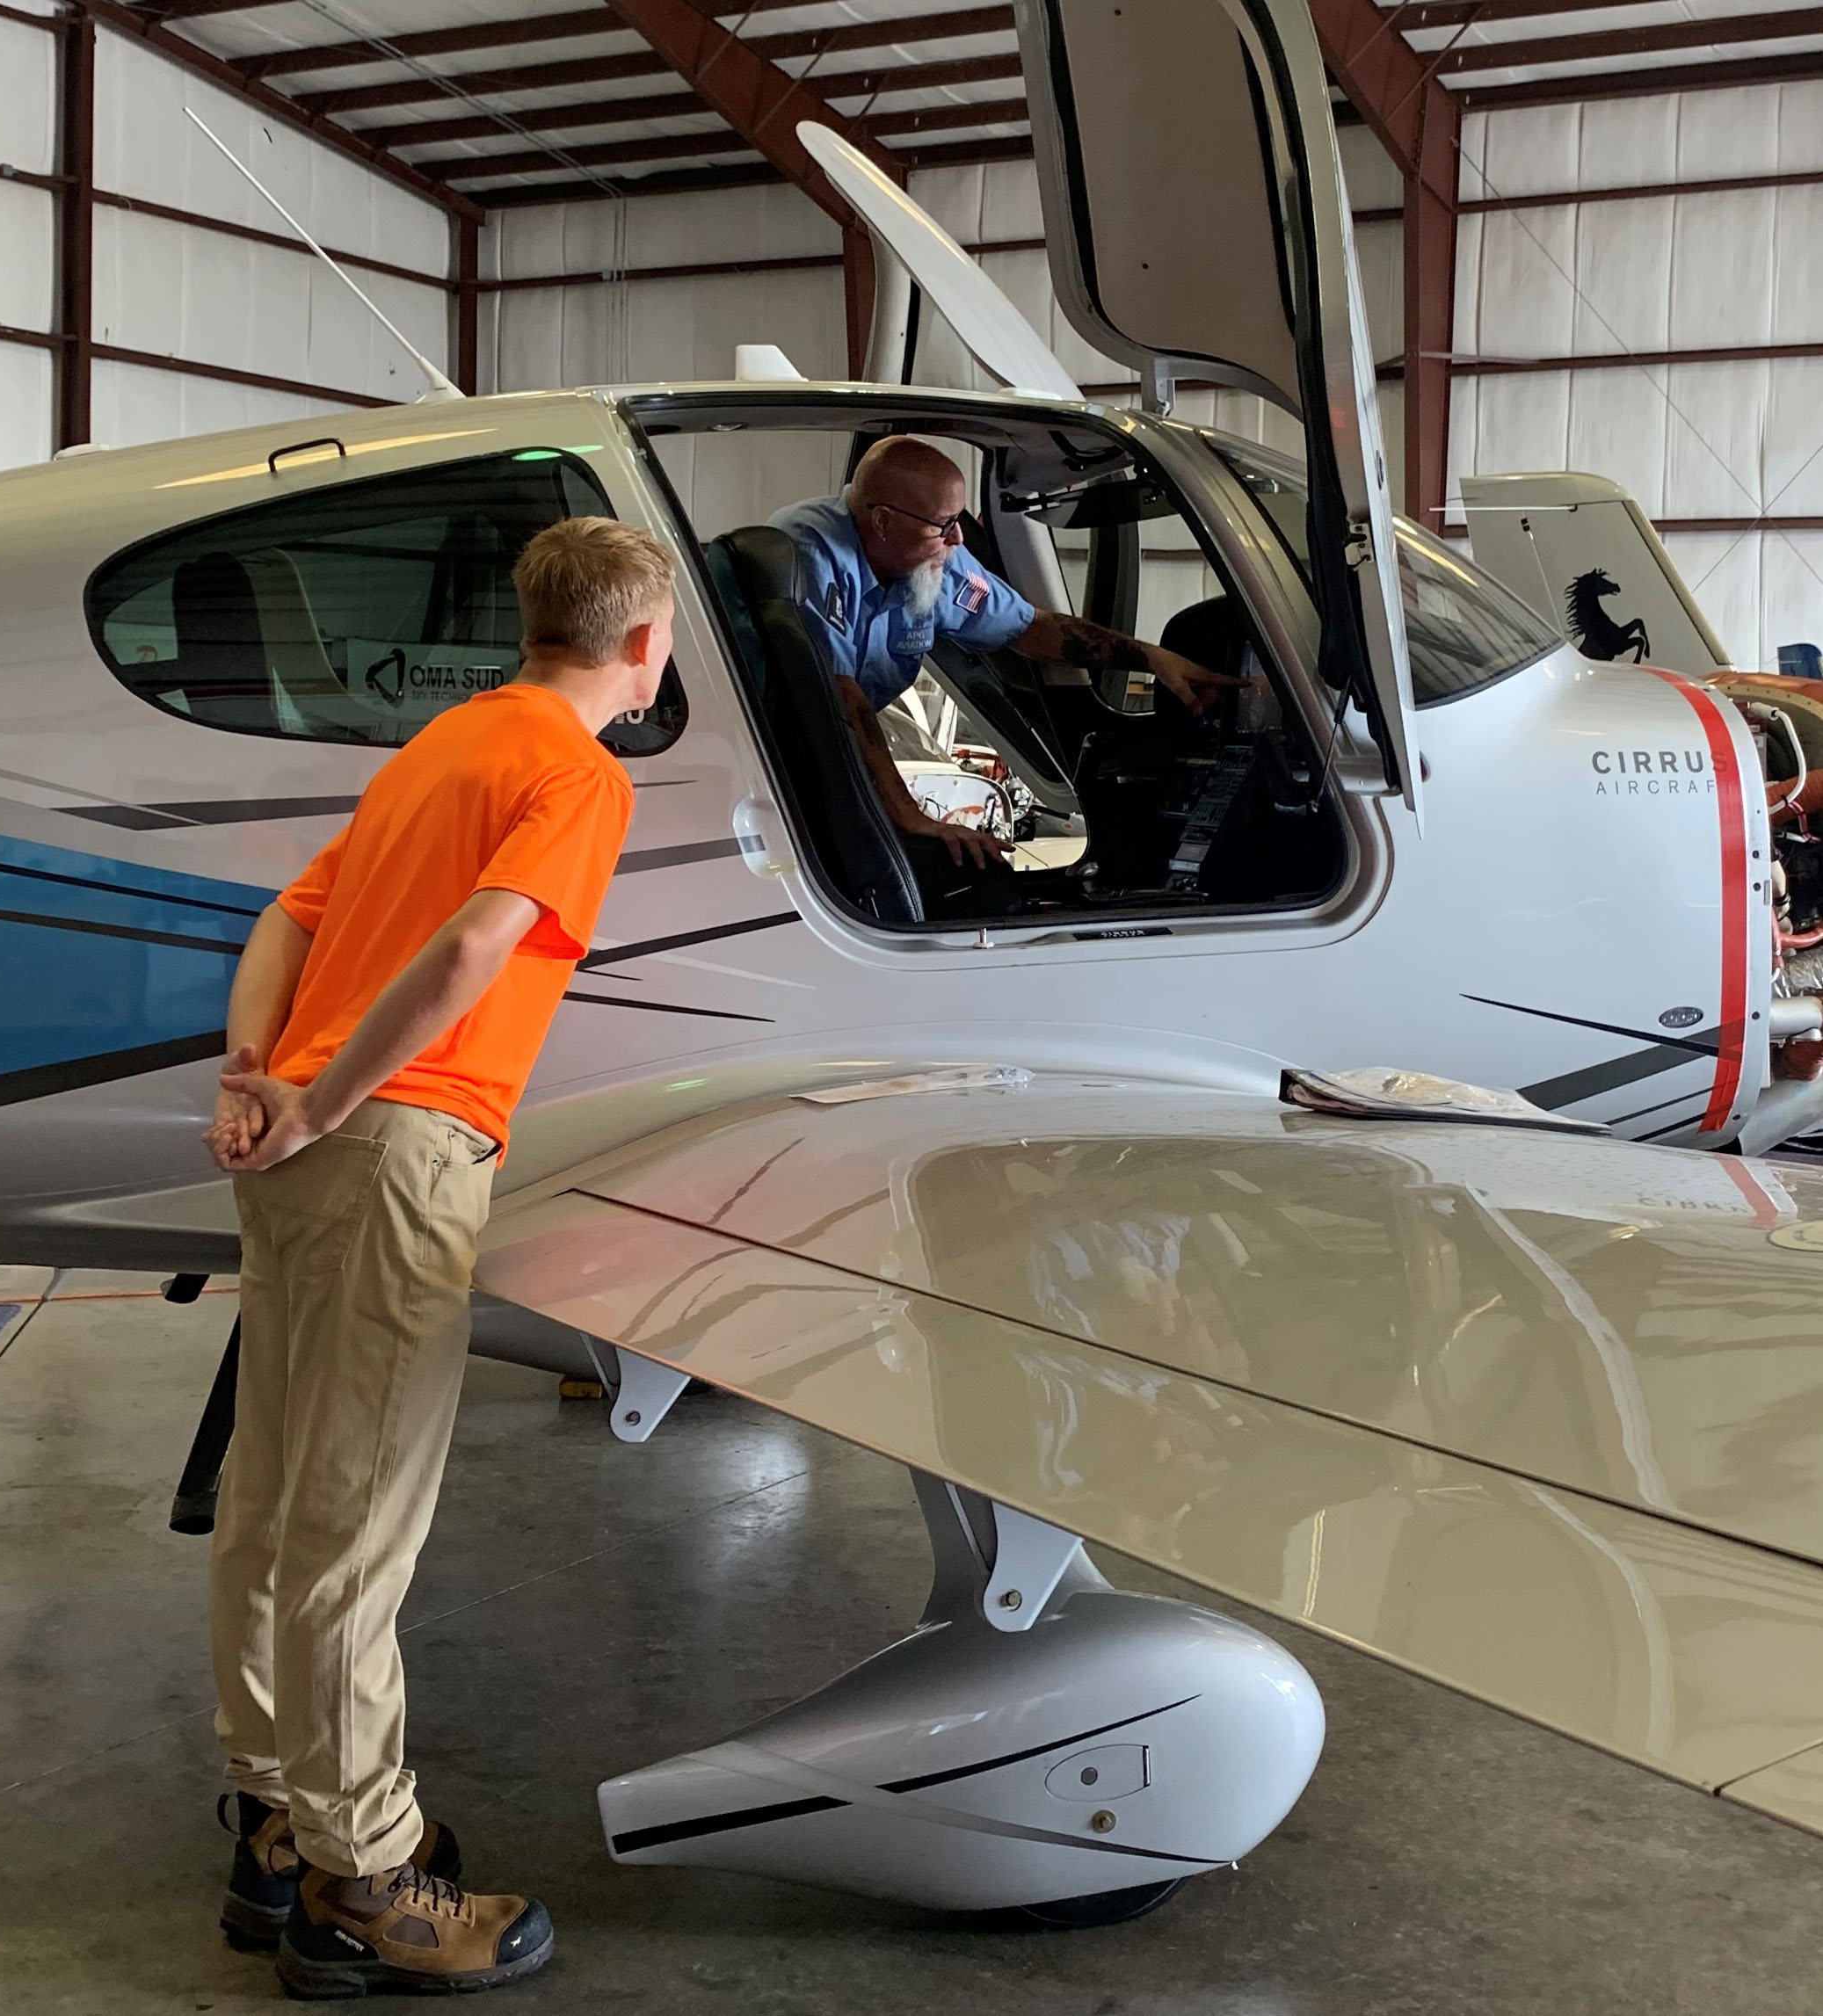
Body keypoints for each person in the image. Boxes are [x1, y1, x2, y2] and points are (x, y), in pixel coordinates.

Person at [200, 515, 673, 1999]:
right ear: (643, 645)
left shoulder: (440, 745)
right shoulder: (576, 774)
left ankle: (279, 1813)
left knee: (276, 1491)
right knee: (356, 1520)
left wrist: (254, 1075)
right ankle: (367, 1881)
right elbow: (477, 947)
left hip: (296, 1149)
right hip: (393, 1150)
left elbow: (289, 913)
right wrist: (339, 1099)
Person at [771, 435, 1233, 869]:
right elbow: (838, 697)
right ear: (883, 521)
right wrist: (913, 819)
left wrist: (1151, 658)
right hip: (770, 752)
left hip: (829, 745)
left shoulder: (932, 558)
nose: (958, 540)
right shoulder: (810, 557)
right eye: (945, 525)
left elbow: (1032, 629)